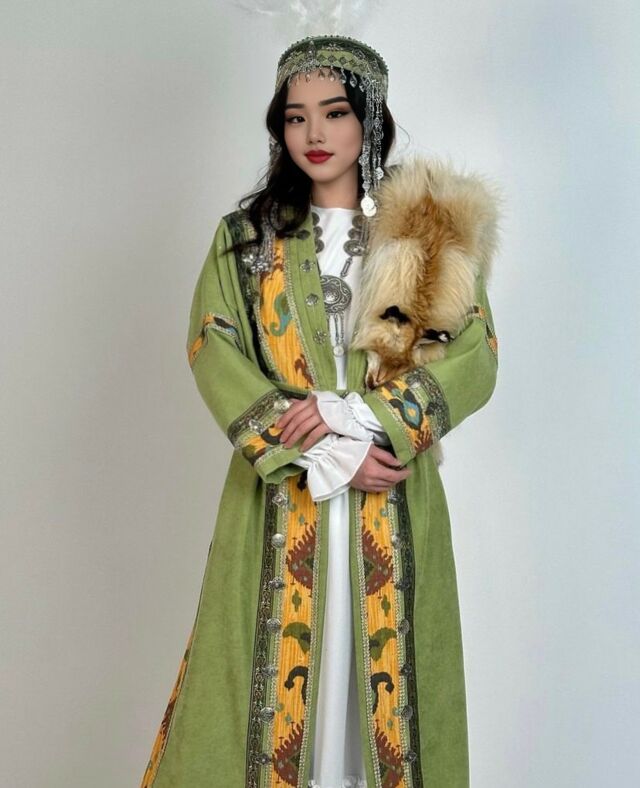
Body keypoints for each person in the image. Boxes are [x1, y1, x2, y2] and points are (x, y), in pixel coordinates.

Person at [140, 35, 499, 788]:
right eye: (295, 116)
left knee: (386, 701)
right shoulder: (246, 240)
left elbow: (475, 355)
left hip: (393, 499)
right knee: (260, 687)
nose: (314, 133)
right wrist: (325, 449)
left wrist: (362, 419)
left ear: (370, 119)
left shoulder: (428, 234)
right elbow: (212, 347)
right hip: (278, 500)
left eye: (334, 112)